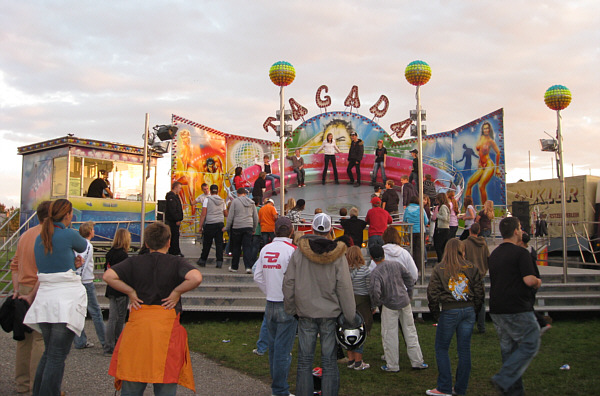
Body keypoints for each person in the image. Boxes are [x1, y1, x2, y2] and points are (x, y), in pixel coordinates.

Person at [104, 222, 203, 395]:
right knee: (165, 379)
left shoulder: (135, 261)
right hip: (166, 329)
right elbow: (195, 277)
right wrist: (177, 292)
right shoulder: (176, 262)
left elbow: (108, 275)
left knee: (133, 379)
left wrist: (130, 292)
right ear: (169, 242)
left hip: (138, 328)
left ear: (147, 243)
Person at [283, 213, 356, 396]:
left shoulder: (299, 252)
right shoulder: (338, 255)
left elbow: (289, 282)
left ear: (312, 229)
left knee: (305, 361)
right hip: (329, 314)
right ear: (331, 230)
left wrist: (291, 308)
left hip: (306, 312)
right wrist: (350, 315)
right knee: (329, 361)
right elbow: (345, 287)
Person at [23, 199, 88, 396]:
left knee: (50, 352)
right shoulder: (68, 234)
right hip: (64, 301)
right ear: (67, 215)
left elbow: (53, 267)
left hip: (45, 299)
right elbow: (83, 244)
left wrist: (72, 265)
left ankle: (39, 391)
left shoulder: (40, 237)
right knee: (58, 355)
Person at [488, 217, 541, 395]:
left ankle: (513, 391)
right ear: (516, 231)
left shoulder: (494, 254)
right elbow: (528, 280)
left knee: (509, 350)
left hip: (497, 308)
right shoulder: (521, 253)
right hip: (516, 307)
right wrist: (538, 282)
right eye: (520, 227)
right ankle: (504, 378)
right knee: (531, 340)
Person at [425, 239, 484, 396]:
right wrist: (475, 309)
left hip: (450, 310)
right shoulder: (472, 268)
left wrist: (436, 314)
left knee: (442, 348)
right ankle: (460, 388)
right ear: (461, 251)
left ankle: (444, 387)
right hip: (469, 309)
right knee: (464, 350)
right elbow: (479, 291)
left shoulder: (440, 269)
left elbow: (432, 294)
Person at [10, 200, 50, 394]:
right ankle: (37, 386)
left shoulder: (25, 234)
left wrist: (17, 289)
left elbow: (14, 264)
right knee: (39, 339)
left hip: (23, 288)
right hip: (38, 289)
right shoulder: (47, 236)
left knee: (23, 339)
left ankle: (22, 384)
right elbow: (45, 269)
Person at [254, 217, 297, 396]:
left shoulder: (266, 249)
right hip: (286, 305)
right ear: (292, 231)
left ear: (274, 231)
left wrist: (270, 290)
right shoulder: (292, 251)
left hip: (270, 303)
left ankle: (277, 387)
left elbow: (257, 276)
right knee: (283, 350)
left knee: (274, 348)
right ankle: (280, 390)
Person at [368, 245, 428, 372]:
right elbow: (409, 278)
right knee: (410, 331)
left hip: (389, 304)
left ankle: (392, 365)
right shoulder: (396, 265)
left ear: (372, 258)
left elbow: (374, 291)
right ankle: (417, 361)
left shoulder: (376, 272)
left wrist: (375, 304)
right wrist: (409, 293)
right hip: (404, 301)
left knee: (389, 334)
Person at [73, 221, 106, 350]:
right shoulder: (87, 245)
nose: (94, 231)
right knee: (96, 312)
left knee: (78, 311)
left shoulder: (78, 244)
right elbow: (83, 262)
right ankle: (105, 341)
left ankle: (80, 340)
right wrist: (79, 279)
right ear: (89, 231)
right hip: (85, 282)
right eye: (92, 229)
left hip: (80, 280)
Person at [103, 228, 131, 356]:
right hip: (121, 288)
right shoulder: (123, 256)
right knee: (120, 317)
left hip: (111, 287)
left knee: (112, 317)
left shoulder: (110, 253)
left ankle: (108, 345)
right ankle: (116, 343)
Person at [346, 246, 372, 371]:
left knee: (348, 329)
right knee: (361, 331)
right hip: (363, 302)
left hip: (348, 301)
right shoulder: (365, 270)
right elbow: (369, 287)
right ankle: (358, 361)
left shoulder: (343, 270)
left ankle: (351, 359)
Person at [520, 232, 551, 335]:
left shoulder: (524, 253)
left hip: (530, 281)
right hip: (534, 279)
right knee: (527, 306)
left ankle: (542, 323)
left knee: (527, 307)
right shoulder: (530, 250)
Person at [462, 223, 490, 334]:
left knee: (467, 301)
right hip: (480, 275)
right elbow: (488, 258)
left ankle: (467, 325)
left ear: (470, 230)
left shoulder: (465, 244)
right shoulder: (484, 244)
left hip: (468, 275)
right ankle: (481, 326)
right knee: (481, 302)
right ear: (478, 231)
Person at [465, 122, 501, 204]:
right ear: (482, 130)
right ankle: (467, 207)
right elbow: (480, 152)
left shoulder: (490, 141)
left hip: (489, 165)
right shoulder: (481, 138)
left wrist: (497, 168)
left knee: (481, 186)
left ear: (489, 130)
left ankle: (485, 208)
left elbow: (498, 152)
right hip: (481, 165)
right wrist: (479, 163)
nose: (486, 130)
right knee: (469, 184)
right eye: (484, 128)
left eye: (487, 128)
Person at [226, 187, 259, 274]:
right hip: (248, 226)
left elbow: (230, 216)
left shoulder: (235, 202)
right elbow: (255, 217)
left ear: (238, 194)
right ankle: (248, 267)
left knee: (236, 247)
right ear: (245, 194)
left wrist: (227, 227)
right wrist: (254, 228)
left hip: (237, 226)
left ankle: (234, 267)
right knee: (247, 247)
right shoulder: (251, 203)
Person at [197, 184, 228, 268]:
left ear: (210, 191)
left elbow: (203, 214)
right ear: (217, 191)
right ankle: (219, 262)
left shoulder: (207, 200)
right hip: (220, 224)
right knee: (219, 243)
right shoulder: (222, 201)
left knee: (207, 243)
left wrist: (200, 226)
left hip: (210, 223)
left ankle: (203, 260)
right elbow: (225, 214)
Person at [403, 196, 429, 267]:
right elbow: (426, 221)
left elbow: (404, 220)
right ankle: (421, 264)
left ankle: (414, 264)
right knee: (420, 248)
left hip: (411, 231)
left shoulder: (407, 209)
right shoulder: (421, 209)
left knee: (413, 248)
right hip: (421, 231)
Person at [165, 181, 184, 257]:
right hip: (173, 221)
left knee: (175, 236)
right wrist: (177, 219)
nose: (180, 190)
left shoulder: (175, 197)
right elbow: (173, 210)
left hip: (175, 220)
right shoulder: (171, 198)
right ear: (175, 187)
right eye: (179, 188)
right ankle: (174, 251)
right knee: (174, 236)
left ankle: (175, 250)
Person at [432, 193, 451, 263]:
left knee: (438, 246)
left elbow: (445, 217)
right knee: (442, 246)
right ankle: (443, 261)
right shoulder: (446, 206)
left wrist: (437, 215)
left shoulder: (443, 207)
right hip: (445, 228)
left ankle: (440, 261)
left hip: (442, 229)